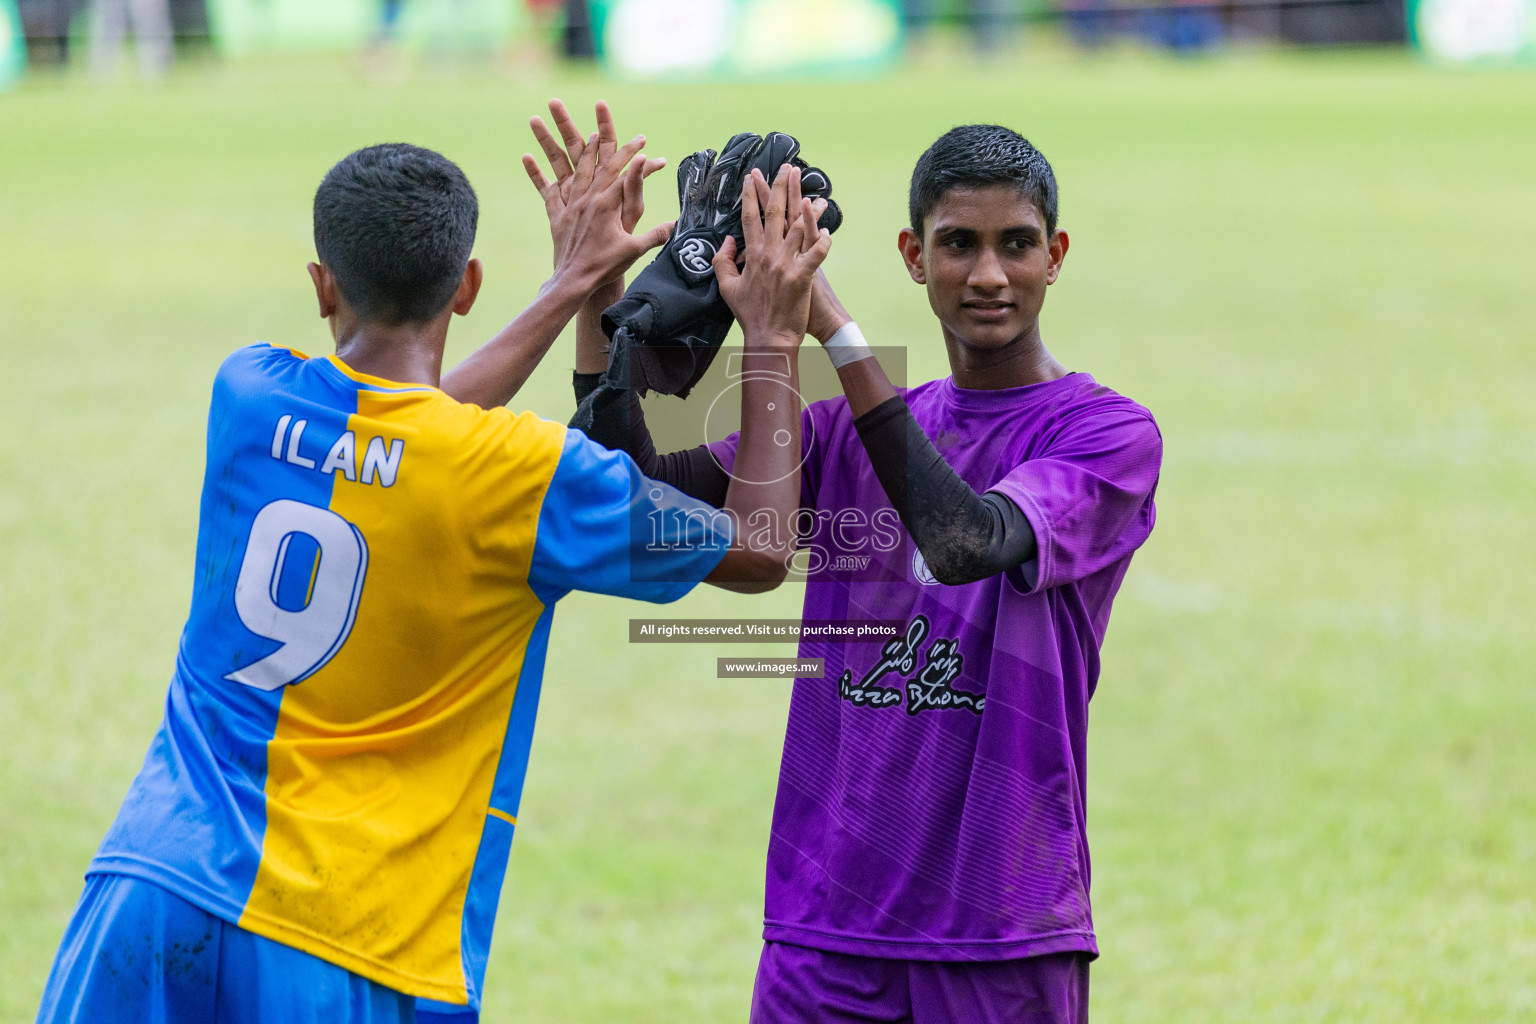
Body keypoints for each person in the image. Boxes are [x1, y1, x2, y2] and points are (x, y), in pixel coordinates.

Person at [35, 103, 832, 1024]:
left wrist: (573, 287)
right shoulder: (531, 477)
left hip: (156, 883)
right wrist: (773, 340)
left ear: (323, 285)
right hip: (354, 939)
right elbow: (763, 549)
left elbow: (404, 429)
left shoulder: (248, 390)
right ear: (467, 285)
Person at [567, 122, 1163, 1022]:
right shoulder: (843, 427)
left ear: (1058, 255)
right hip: (825, 925)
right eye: (959, 244)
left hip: (1000, 930)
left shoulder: (1106, 435)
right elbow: (643, 490)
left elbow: (964, 541)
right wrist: (605, 303)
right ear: (915, 257)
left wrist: (825, 325)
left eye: (1017, 245)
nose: (990, 274)